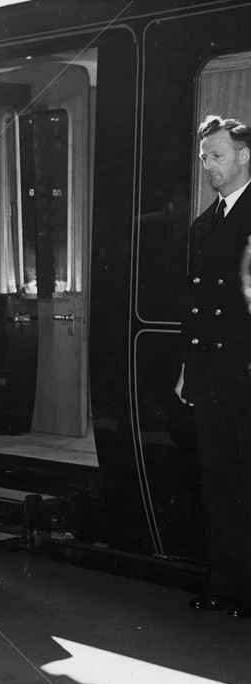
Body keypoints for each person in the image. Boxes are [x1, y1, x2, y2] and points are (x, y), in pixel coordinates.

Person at [176, 114, 251, 618]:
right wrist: (188, 367)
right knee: (219, 483)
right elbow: (195, 303)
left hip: (245, 372)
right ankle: (226, 585)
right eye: (204, 157)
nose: (209, 166)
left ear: (245, 156)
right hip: (210, 374)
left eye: (217, 156)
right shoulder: (206, 221)